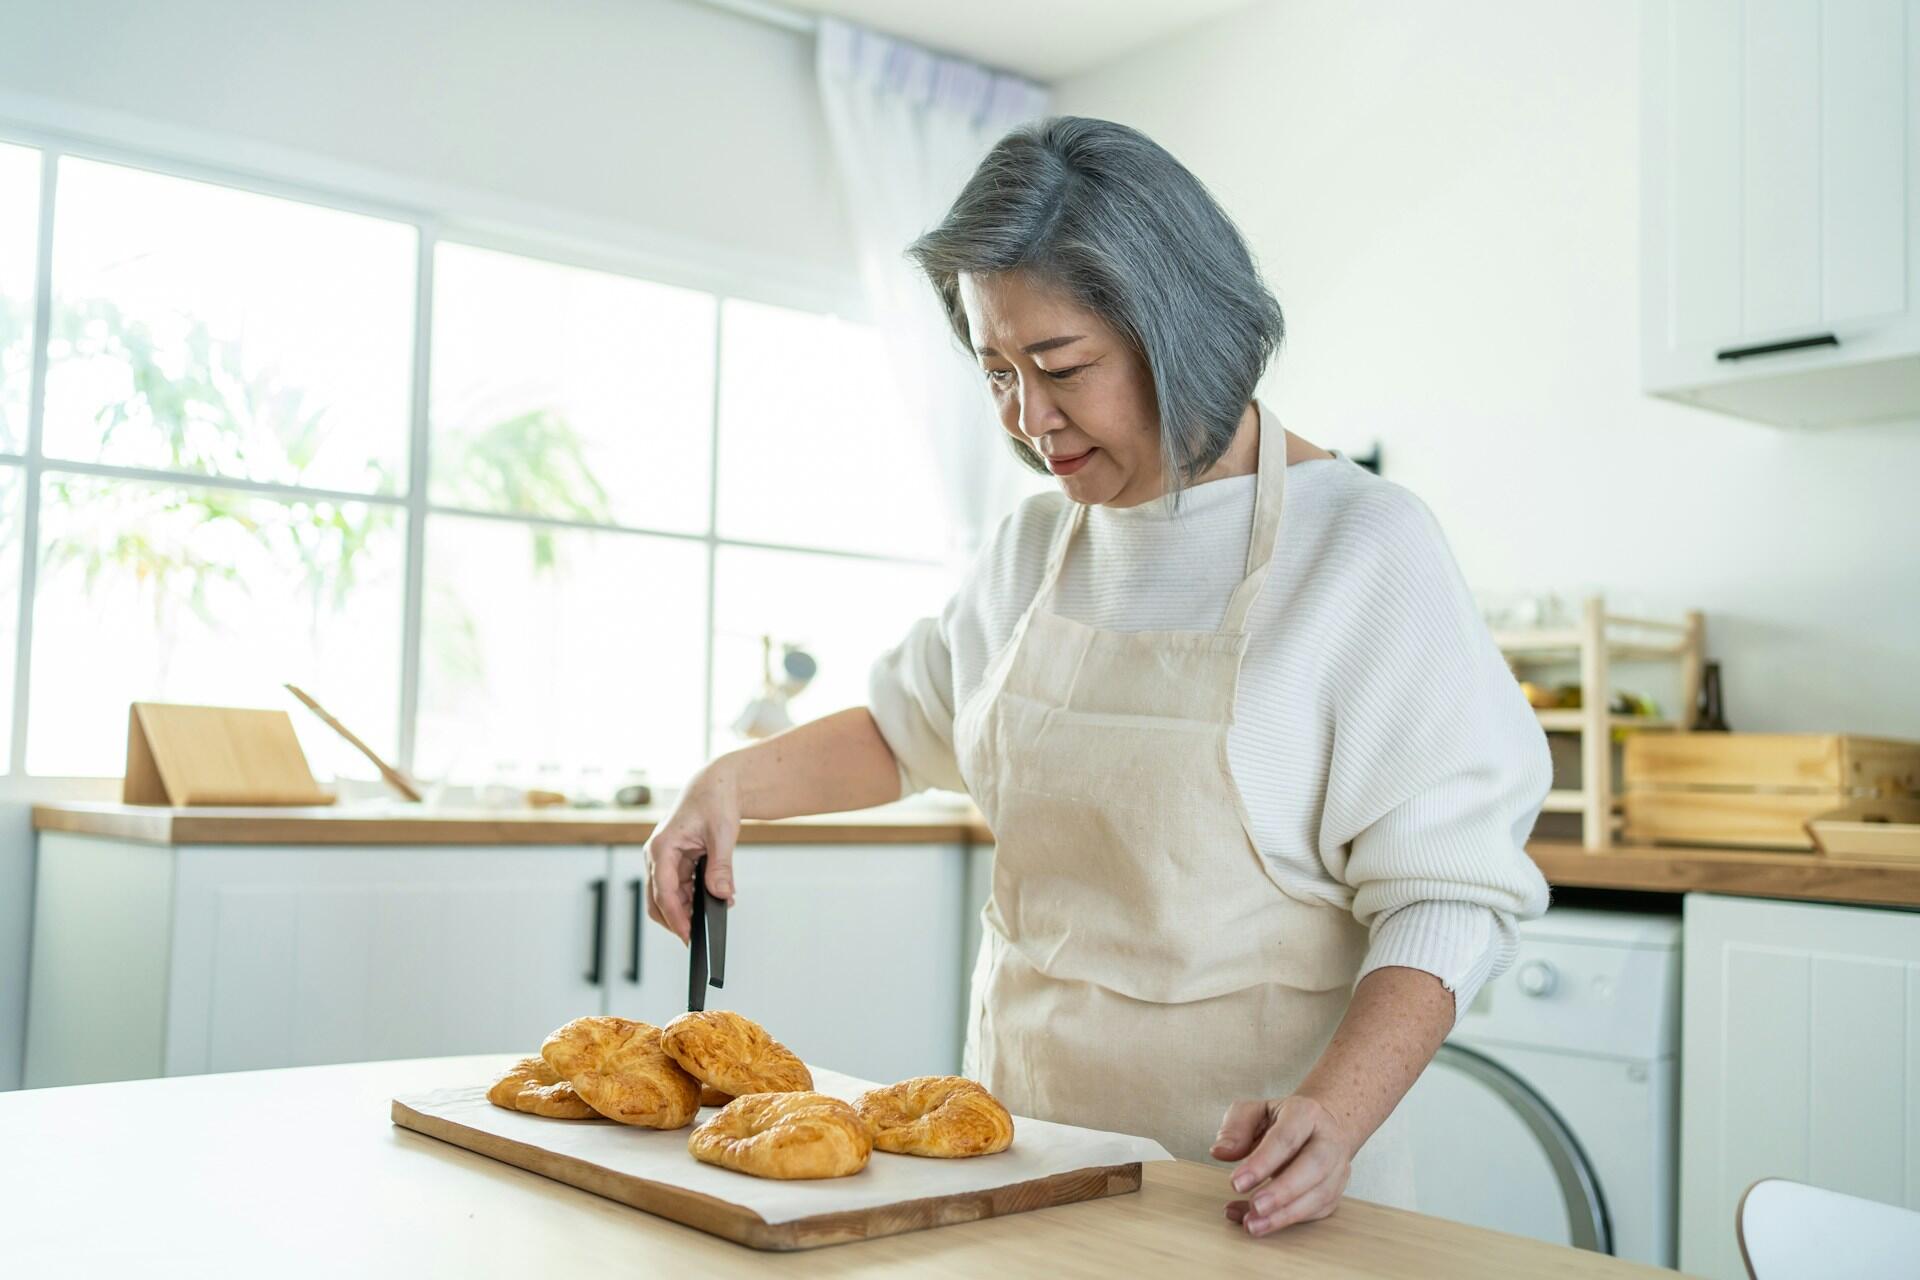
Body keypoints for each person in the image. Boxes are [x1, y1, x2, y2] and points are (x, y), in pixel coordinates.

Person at [646, 116, 1550, 1236]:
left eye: (1061, 367)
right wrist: (730, 783)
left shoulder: (1365, 549)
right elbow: (908, 724)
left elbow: (1446, 891)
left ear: (1177, 329)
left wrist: (1338, 1112)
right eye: (996, 372)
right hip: (1015, 1166)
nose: (1029, 420)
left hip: (1258, 1198)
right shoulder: (1035, 546)